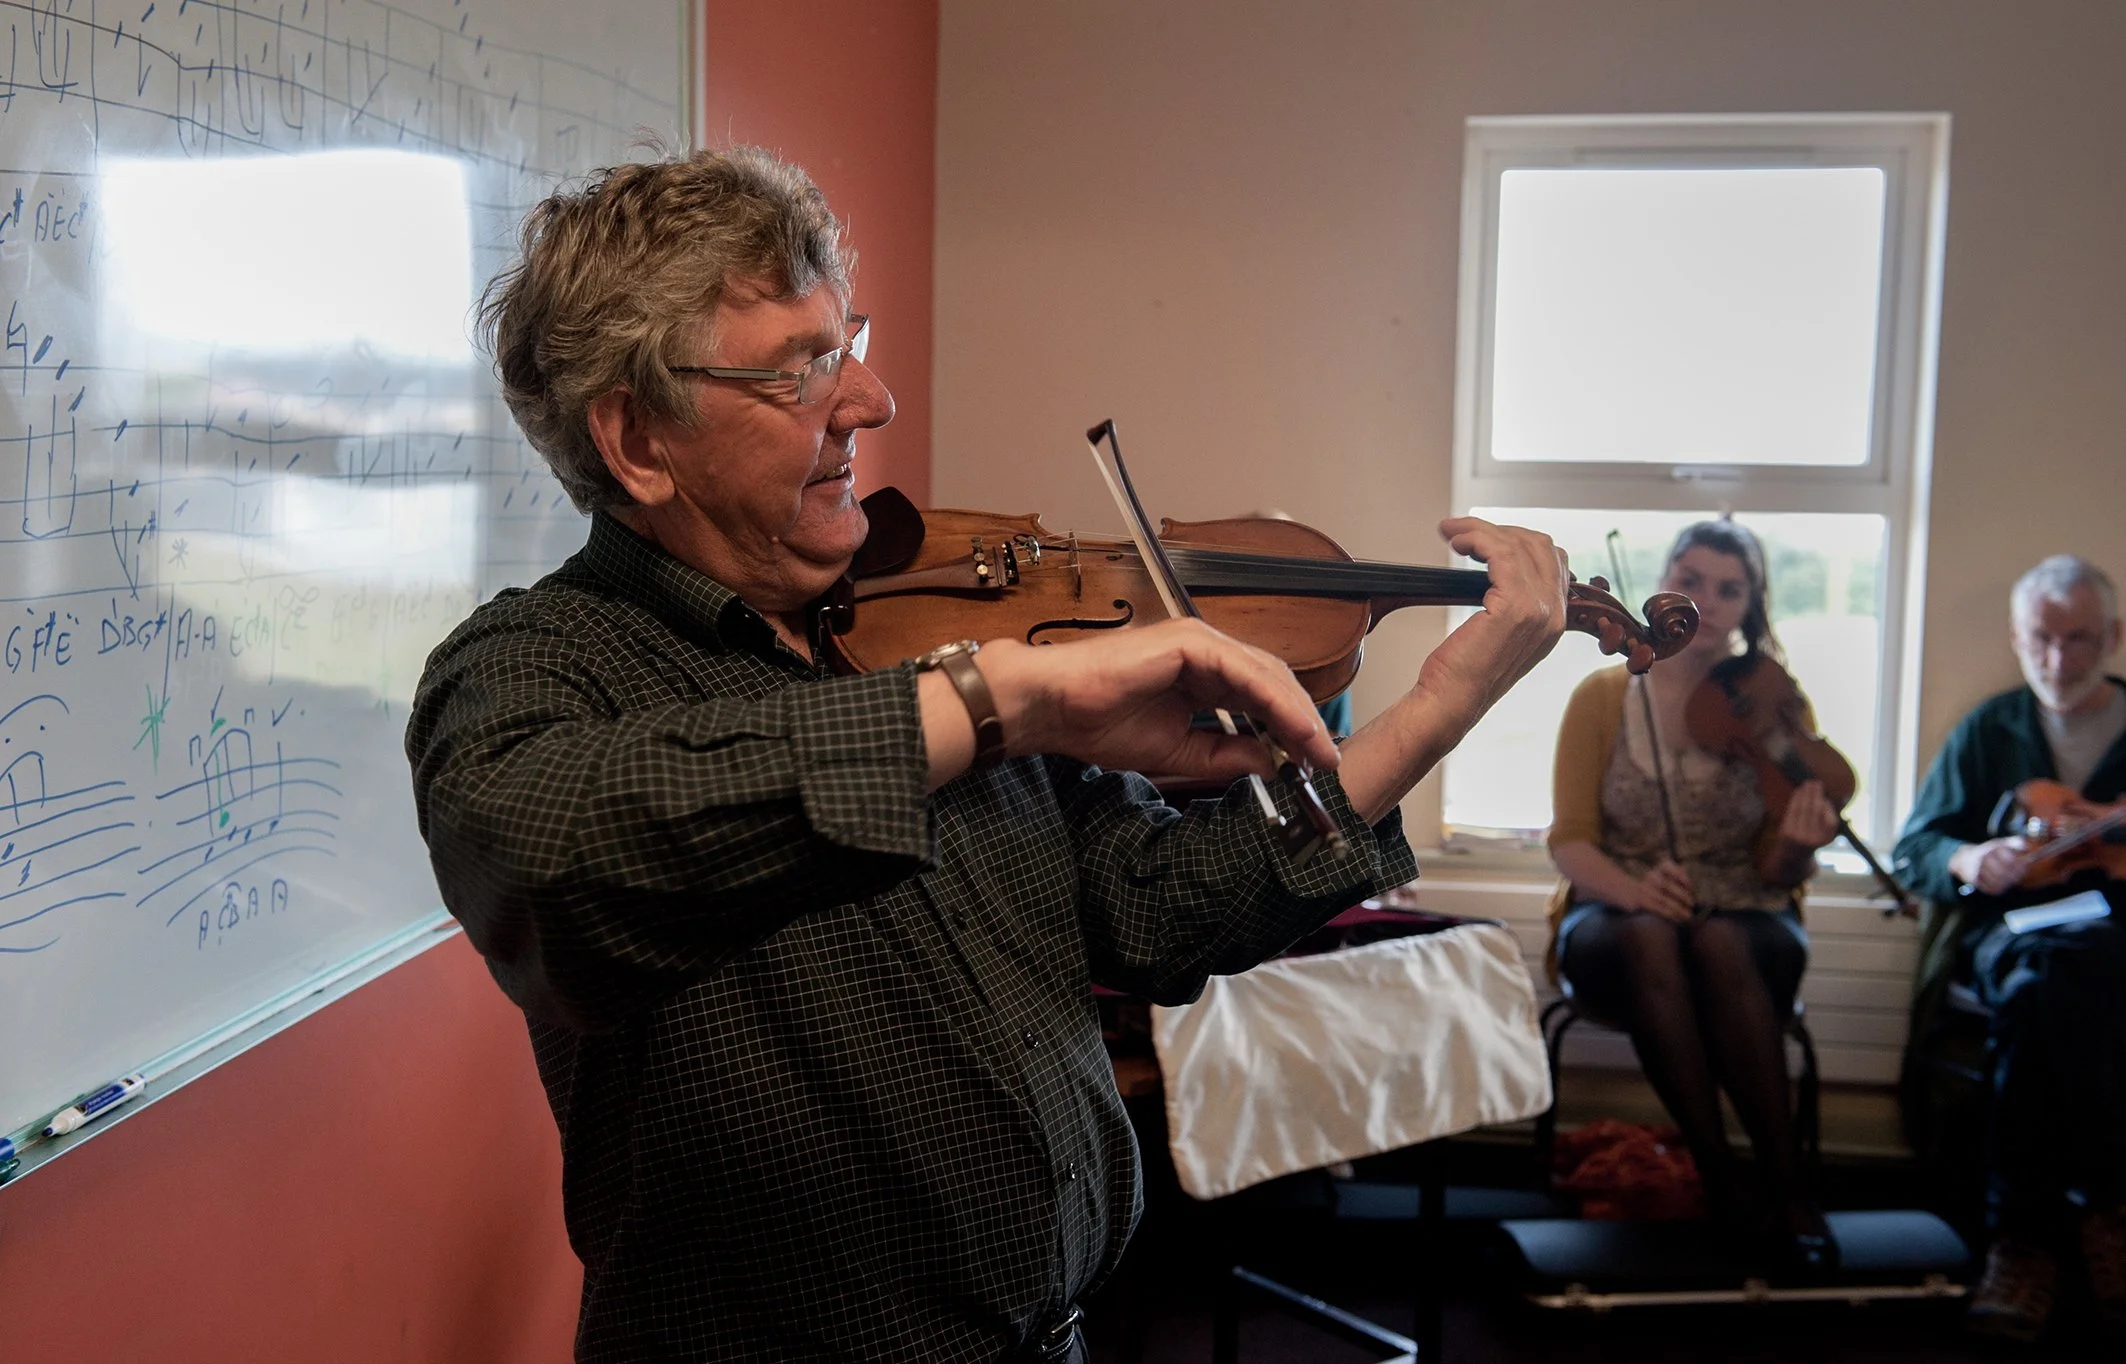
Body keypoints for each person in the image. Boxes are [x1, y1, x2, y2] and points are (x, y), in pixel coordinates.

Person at [402, 147, 1570, 1364]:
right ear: (639, 439)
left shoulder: (926, 633)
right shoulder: (535, 663)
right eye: (802, 368)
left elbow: (1160, 908)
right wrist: (997, 698)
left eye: (848, 341)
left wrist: (1429, 715)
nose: (869, 401)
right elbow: (548, 859)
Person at [1545, 520, 1842, 1268]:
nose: (1707, 601)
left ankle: (1785, 1183)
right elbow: (1570, 841)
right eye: (1692, 580)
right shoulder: (1603, 696)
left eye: (1729, 589)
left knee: (1717, 937)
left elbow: (1778, 872)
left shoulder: (1774, 699)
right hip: (1617, 915)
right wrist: (1634, 890)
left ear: (1751, 604)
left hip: (1749, 917)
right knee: (1652, 935)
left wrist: (1797, 846)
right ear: (1664, 582)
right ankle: (1721, 1175)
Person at [1894, 554, 2126, 1345]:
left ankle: (2020, 1243)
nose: (2058, 660)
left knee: (2057, 984)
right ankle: (2103, 1214)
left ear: (2113, 638)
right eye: (2041, 640)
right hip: (2012, 931)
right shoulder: (1990, 728)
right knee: (2051, 974)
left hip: (2114, 937)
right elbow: (1918, 846)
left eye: (2079, 639)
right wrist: (1969, 859)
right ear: (2018, 639)